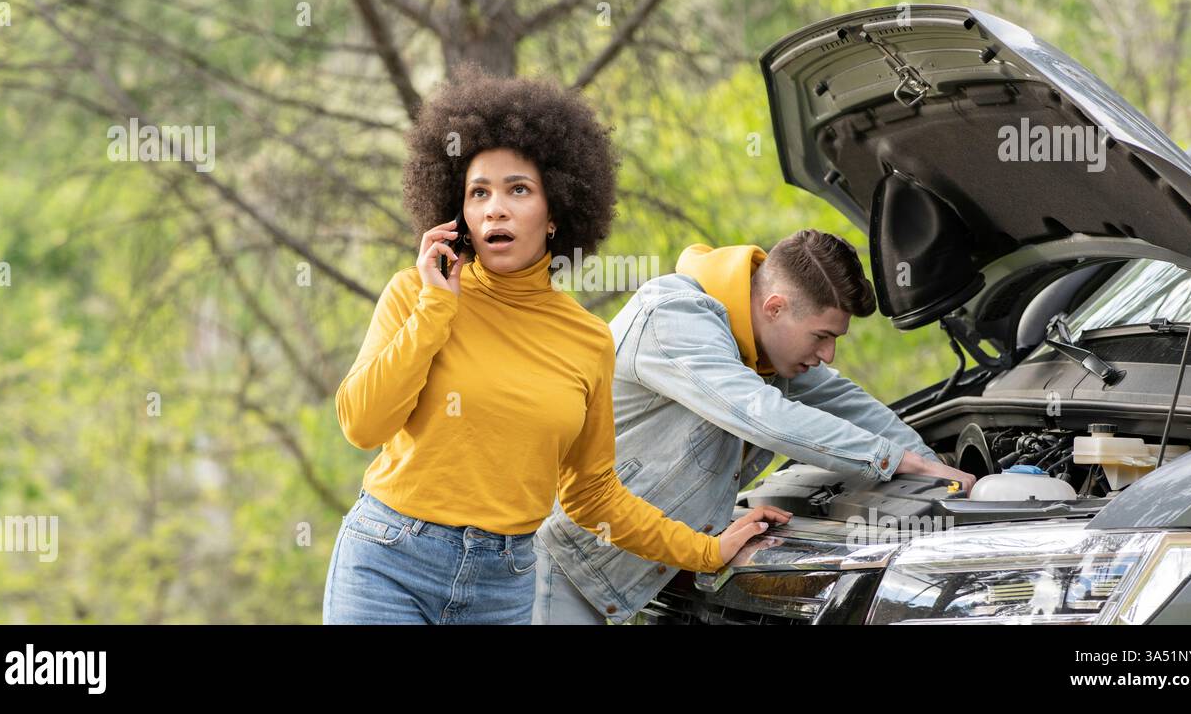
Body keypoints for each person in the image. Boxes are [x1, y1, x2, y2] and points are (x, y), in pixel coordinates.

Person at [321, 66, 787, 625]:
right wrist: (435, 310)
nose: (496, 207)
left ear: (555, 215)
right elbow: (361, 425)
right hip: (388, 563)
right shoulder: (415, 295)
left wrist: (706, 551)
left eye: (518, 190)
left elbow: (594, 496)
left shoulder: (587, 341)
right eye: (479, 193)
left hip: (506, 584)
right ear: (459, 213)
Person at [532, 229, 976, 624]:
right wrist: (893, 460)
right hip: (555, 561)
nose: (827, 355)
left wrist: (939, 476)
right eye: (822, 336)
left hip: (623, 572)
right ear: (775, 307)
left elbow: (849, 403)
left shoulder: (766, 353)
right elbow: (762, 415)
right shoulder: (673, 319)